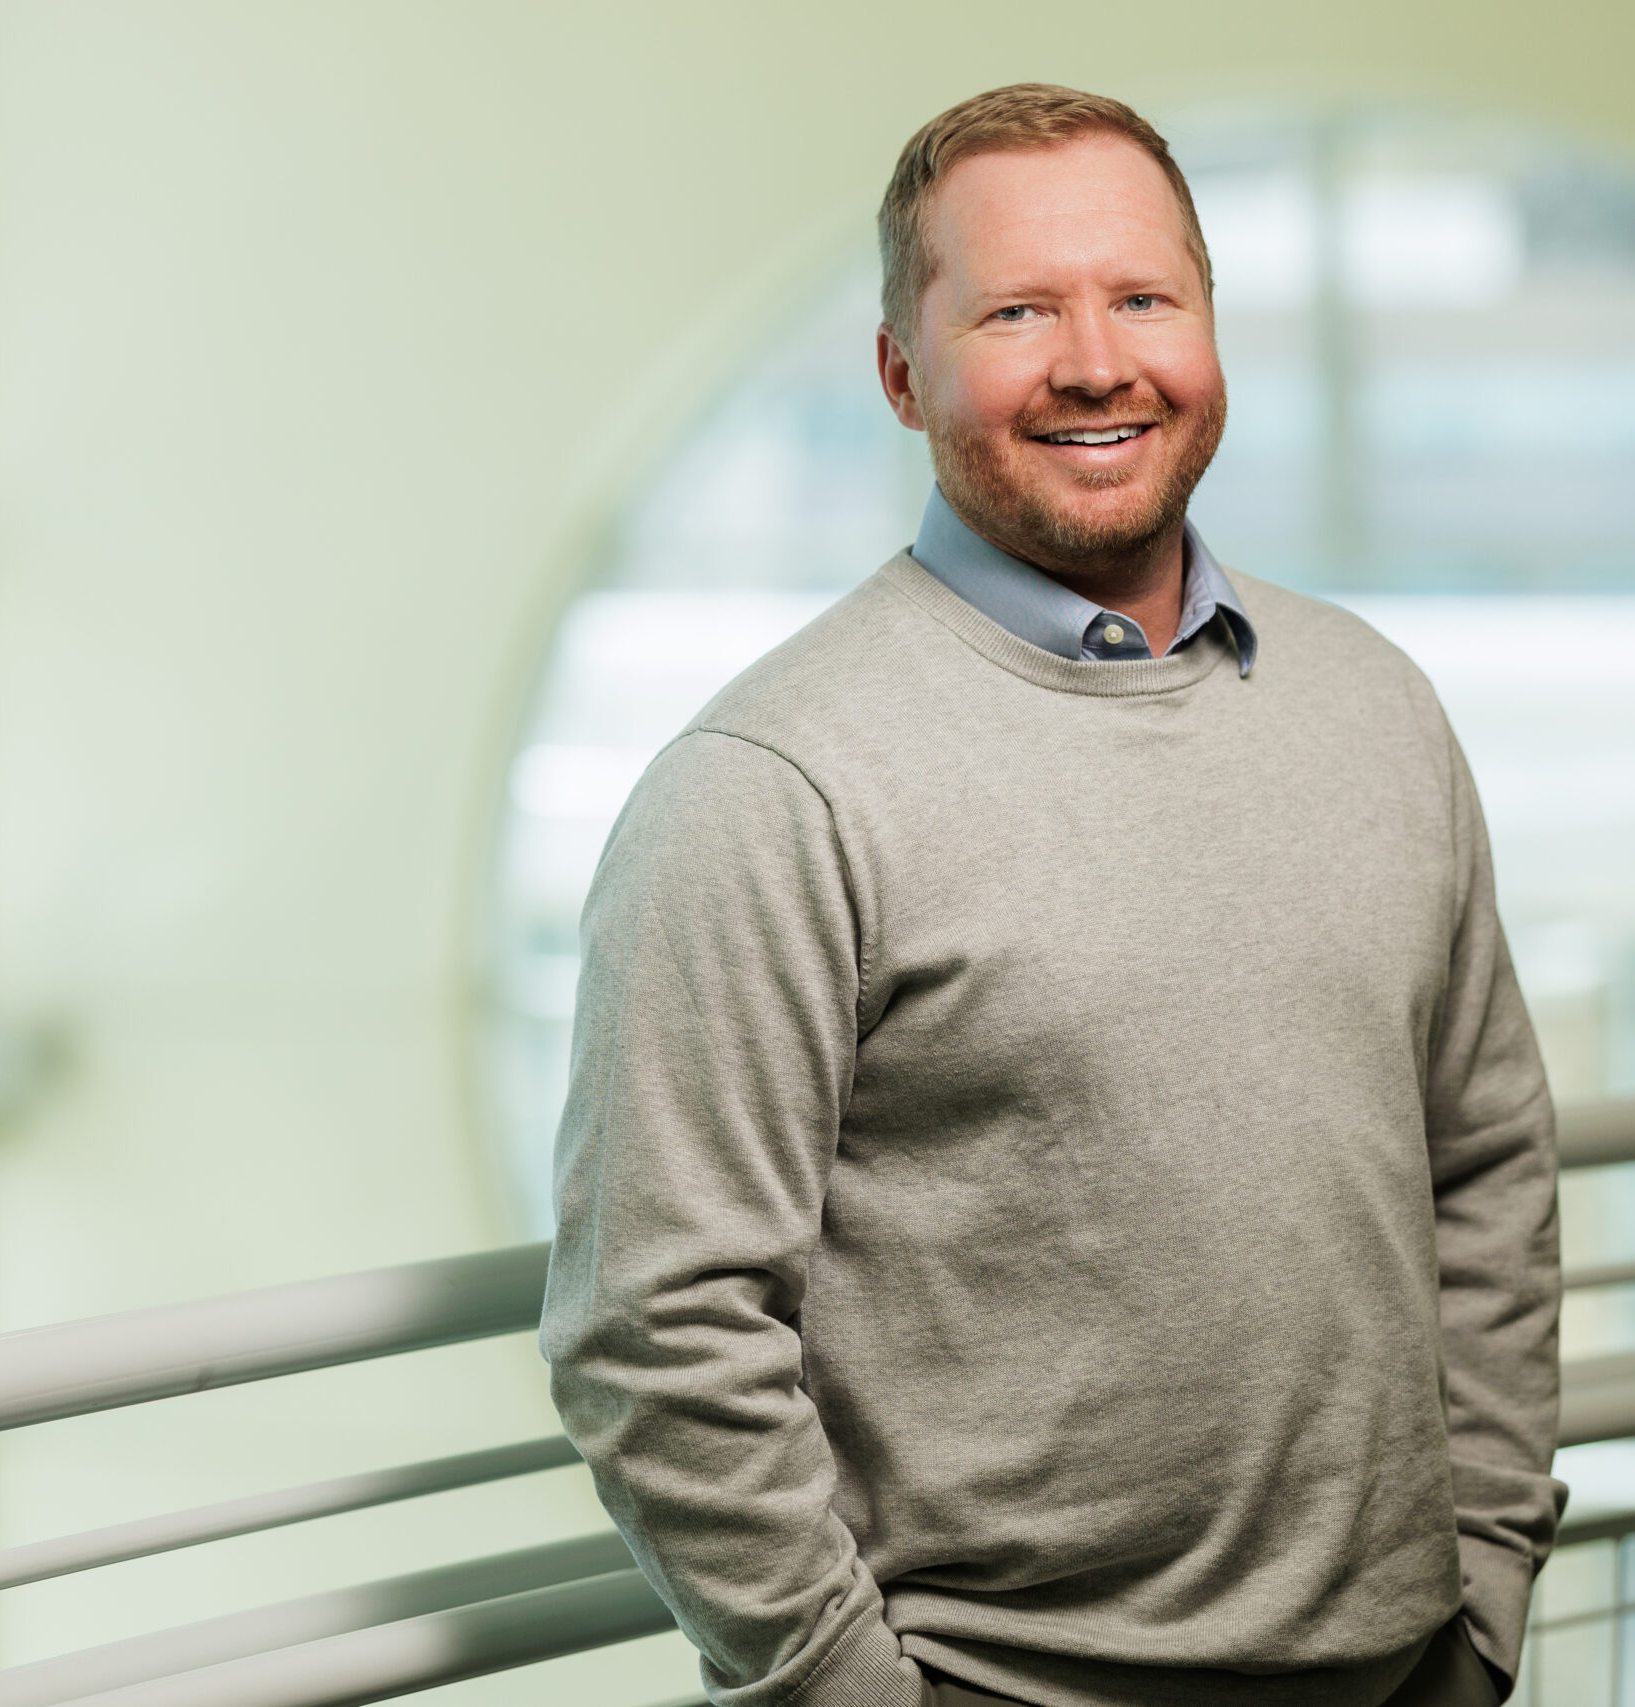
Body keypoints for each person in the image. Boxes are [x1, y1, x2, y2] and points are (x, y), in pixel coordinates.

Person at [539, 84, 1562, 1707]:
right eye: (1018, 309)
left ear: (1211, 332)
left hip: (1407, 1674)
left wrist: (1487, 1588)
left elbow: (1488, 1170)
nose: (1098, 361)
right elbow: (654, 1334)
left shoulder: (1376, 706)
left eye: (1145, 298)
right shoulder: (768, 787)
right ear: (899, 371)